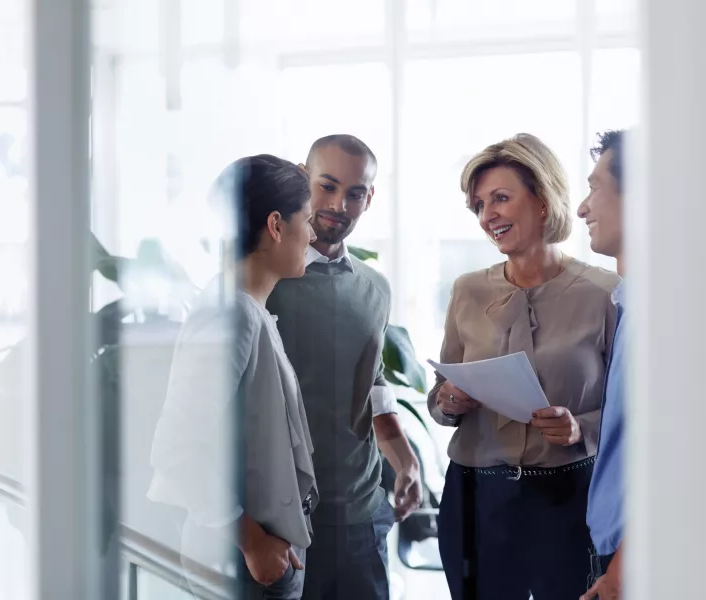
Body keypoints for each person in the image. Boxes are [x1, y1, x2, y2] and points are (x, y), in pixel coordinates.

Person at [428, 133, 620, 600]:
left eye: (500, 199)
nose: (487, 215)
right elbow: (439, 396)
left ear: (541, 201)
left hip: (567, 497)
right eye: (478, 205)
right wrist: (448, 400)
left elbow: (629, 408)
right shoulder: (467, 289)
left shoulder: (604, 292)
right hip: (475, 497)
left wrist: (581, 428)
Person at [147, 154, 319, 599]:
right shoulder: (232, 313)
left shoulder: (246, 306)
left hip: (255, 555)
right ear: (276, 226)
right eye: (308, 219)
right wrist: (253, 543)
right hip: (242, 560)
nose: (314, 234)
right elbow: (175, 449)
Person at [266, 134, 422, 600]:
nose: (339, 204)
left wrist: (402, 454)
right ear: (300, 180)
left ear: (369, 198)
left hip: (361, 516)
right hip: (284, 523)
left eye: (355, 193)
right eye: (327, 186)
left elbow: (371, 378)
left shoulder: (375, 288)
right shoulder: (264, 281)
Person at [578, 130, 626, 600]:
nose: (582, 207)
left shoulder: (665, 315)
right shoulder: (628, 302)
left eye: (595, 187)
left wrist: (622, 569)